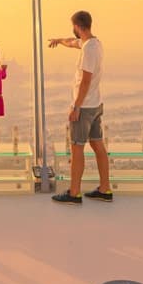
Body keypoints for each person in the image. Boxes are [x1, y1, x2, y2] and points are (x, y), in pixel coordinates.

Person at [48, 10, 111, 204]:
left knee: (77, 148)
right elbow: (72, 41)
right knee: (98, 144)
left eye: (73, 27)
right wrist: (59, 40)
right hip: (95, 104)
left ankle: (74, 192)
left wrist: (76, 106)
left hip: (84, 107)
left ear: (77, 26)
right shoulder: (93, 44)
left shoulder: (88, 50)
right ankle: (105, 189)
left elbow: (85, 81)